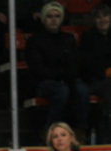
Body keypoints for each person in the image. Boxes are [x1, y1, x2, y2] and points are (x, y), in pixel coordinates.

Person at [26, 1, 88, 134]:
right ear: (43, 19)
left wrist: (67, 76)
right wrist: (63, 75)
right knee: (62, 90)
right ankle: (50, 130)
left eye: (57, 16)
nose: (54, 20)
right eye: (50, 16)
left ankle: (81, 131)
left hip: (66, 78)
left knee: (82, 89)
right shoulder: (34, 41)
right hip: (43, 82)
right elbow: (38, 69)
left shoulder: (68, 38)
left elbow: (75, 63)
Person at [80, 3, 111, 143]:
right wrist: (105, 72)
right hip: (95, 81)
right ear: (94, 20)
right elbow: (87, 64)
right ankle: (105, 135)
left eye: (105, 16)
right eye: (98, 17)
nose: (102, 19)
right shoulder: (88, 38)